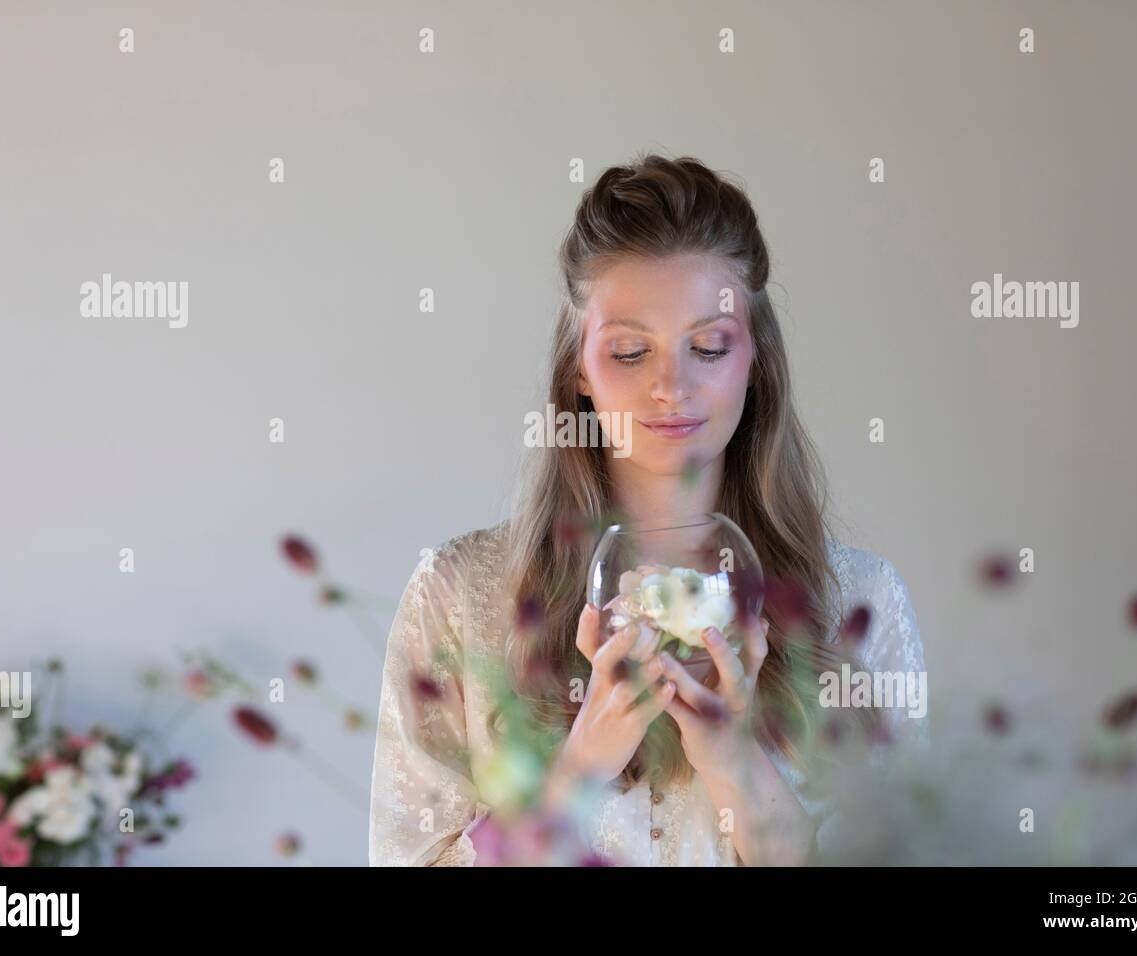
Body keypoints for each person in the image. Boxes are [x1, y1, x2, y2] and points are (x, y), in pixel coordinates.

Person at [368, 154, 926, 866]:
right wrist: (581, 767)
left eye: (708, 346)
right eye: (631, 352)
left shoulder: (860, 606)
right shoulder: (458, 597)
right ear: (580, 367)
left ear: (756, 360)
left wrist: (736, 765)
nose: (672, 386)